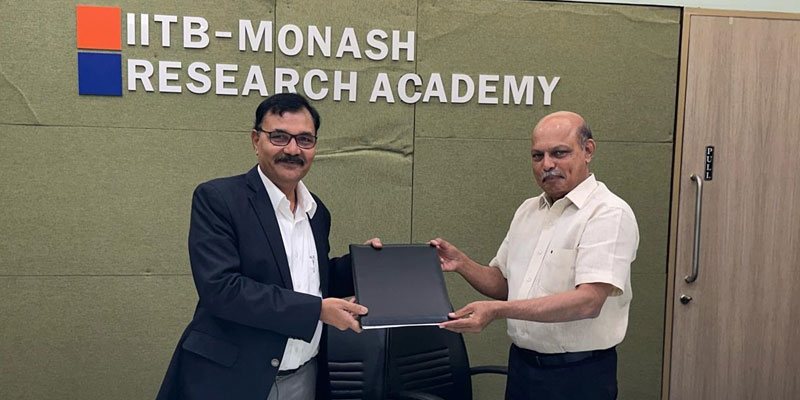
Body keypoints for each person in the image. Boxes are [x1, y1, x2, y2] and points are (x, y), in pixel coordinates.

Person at [156, 93, 378, 400]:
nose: (292, 149)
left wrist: (364, 265)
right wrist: (317, 311)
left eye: (304, 139)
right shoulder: (218, 199)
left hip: (303, 376)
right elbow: (222, 290)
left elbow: (312, 279)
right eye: (279, 137)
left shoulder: (317, 211)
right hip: (231, 379)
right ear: (255, 140)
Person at [432, 111, 639, 400]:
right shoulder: (528, 210)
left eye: (559, 153)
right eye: (537, 156)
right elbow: (505, 284)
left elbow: (588, 302)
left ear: (588, 150)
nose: (547, 165)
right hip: (523, 370)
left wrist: (497, 312)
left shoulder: (607, 213)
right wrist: (462, 263)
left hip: (579, 376)